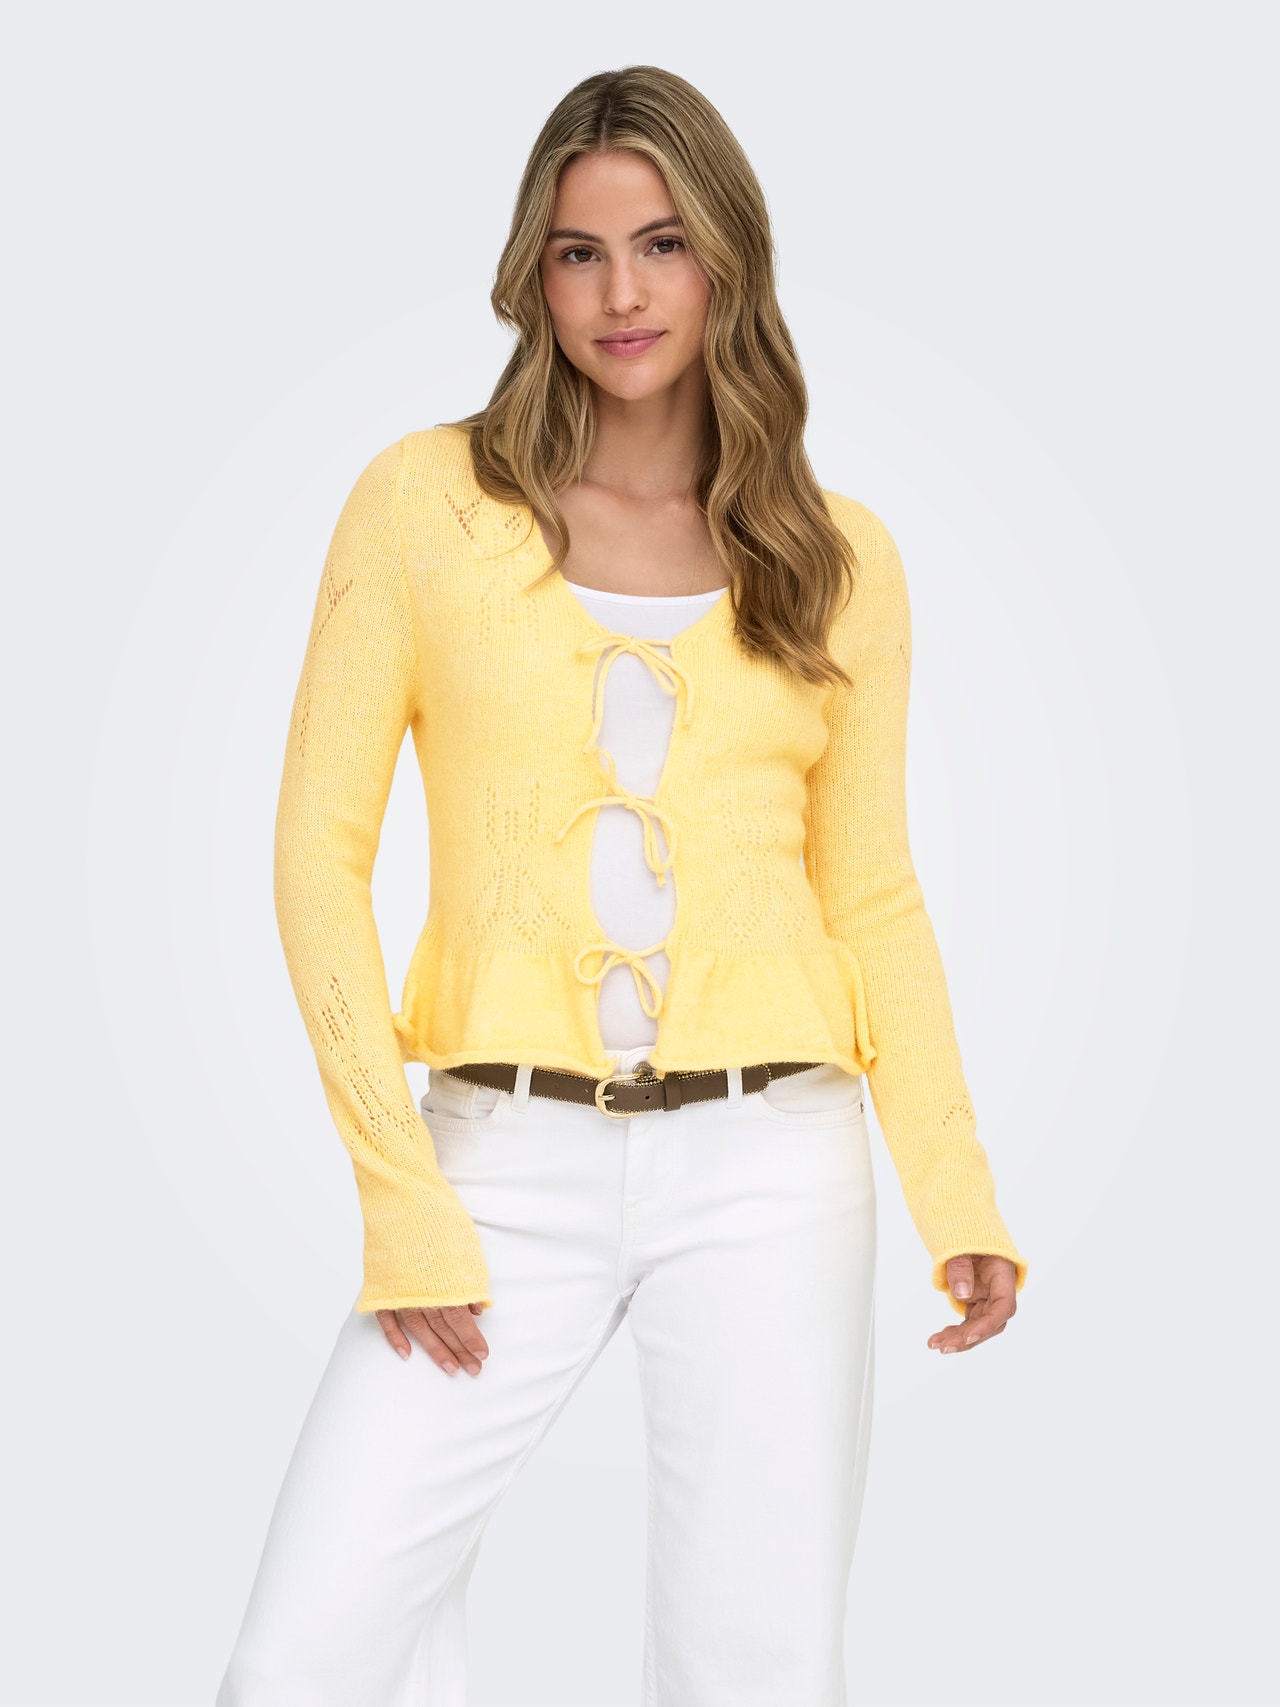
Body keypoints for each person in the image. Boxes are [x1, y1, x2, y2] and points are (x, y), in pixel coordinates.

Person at [217, 63, 1027, 1707]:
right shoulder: (424, 505)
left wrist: (958, 1193)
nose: (621, 294)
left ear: (727, 258)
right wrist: (399, 1190)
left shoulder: (836, 557)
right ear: (535, 272)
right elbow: (317, 854)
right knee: (306, 1655)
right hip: (495, 1161)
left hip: (774, 1168)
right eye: (580, 253)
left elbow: (872, 895)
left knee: (755, 1668)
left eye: (661, 244)